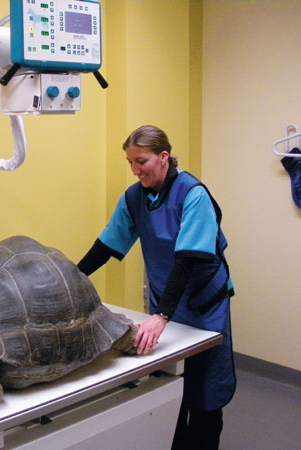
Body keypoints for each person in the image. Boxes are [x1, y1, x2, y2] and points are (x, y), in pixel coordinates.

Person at [77, 125, 236, 450]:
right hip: (165, 303)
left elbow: (188, 260)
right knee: (169, 385)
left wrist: (162, 315)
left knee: (205, 392)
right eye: (130, 163)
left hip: (204, 305)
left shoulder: (193, 195)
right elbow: (107, 244)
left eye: (142, 161)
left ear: (164, 157)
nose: (136, 170)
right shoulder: (135, 197)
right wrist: (72, 278)